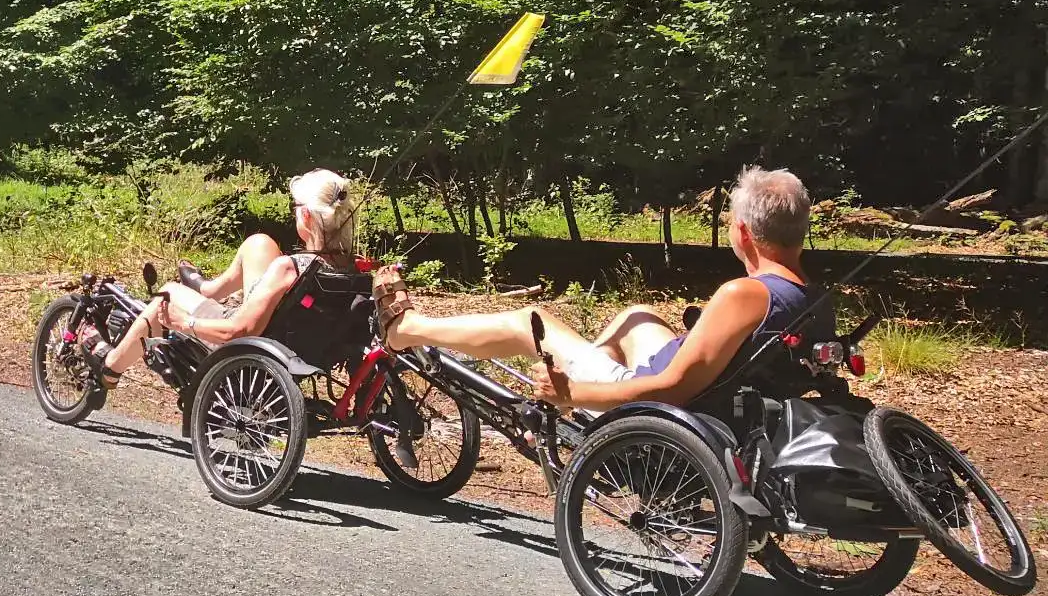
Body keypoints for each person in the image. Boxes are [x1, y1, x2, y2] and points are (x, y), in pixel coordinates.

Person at [381, 166, 830, 414]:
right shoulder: (812, 296)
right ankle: (571, 423)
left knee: (528, 321)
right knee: (635, 316)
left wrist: (572, 392)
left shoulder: (744, 294)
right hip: (714, 400)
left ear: (743, 232)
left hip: (659, 406)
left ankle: (407, 330)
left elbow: (671, 388)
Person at [98, 169, 358, 383]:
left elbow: (238, 330)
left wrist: (183, 322)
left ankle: (109, 369)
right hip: (301, 350)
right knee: (259, 243)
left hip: (248, 350)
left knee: (167, 295)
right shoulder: (351, 269)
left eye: (296, 207)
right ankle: (208, 289)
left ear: (305, 215)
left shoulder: (289, 268)